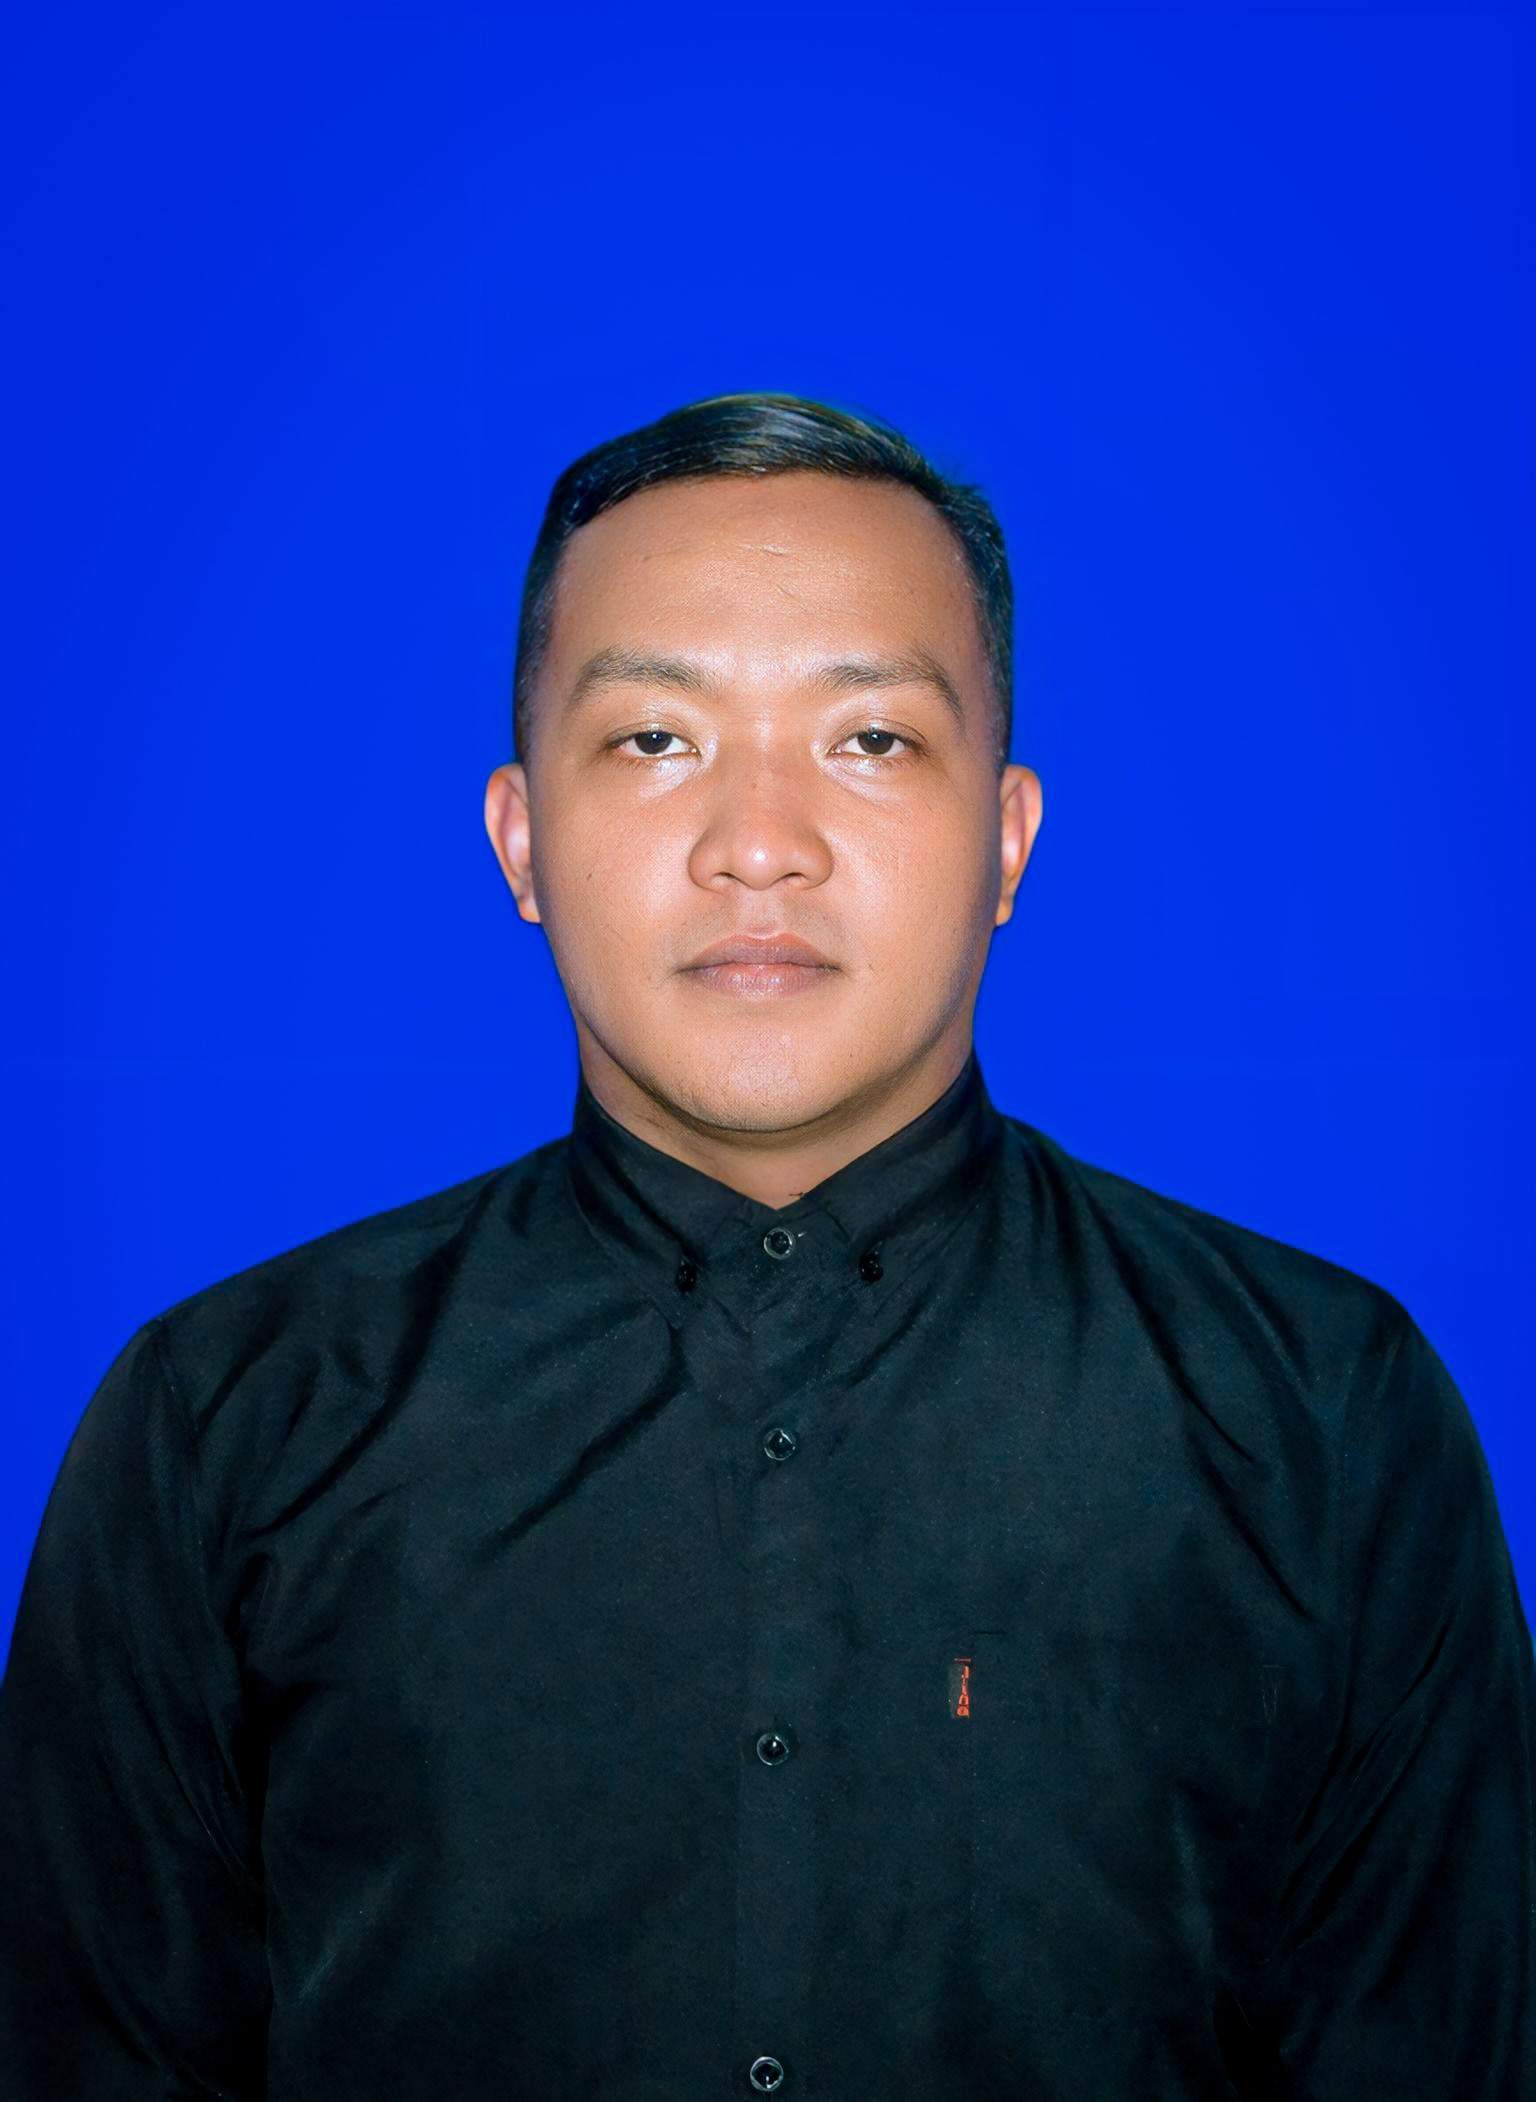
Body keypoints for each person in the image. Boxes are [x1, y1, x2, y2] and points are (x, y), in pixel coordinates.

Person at [1, 391, 1531, 2100]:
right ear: (519, 836)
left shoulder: (1321, 1418)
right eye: (655, 738)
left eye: (869, 738)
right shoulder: (228, 1426)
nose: (759, 846)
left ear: (1008, 837)